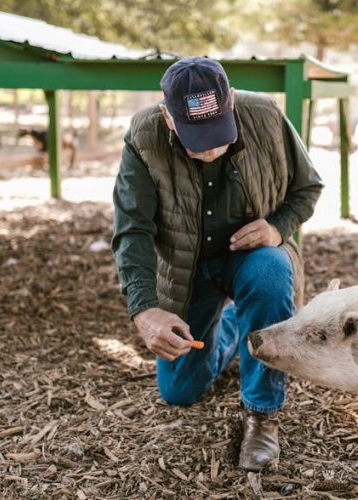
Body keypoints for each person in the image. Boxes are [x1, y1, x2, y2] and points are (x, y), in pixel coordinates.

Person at [112, 56, 323, 471]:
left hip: (253, 257)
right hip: (187, 271)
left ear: (229, 103)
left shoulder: (263, 114)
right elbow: (132, 230)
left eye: (218, 134)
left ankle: (262, 415)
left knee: (270, 273)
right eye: (196, 137)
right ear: (167, 117)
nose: (210, 149)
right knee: (179, 392)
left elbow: (307, 187)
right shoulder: (143, 136)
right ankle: (233, 327)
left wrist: (278, 228)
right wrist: (145, 310)